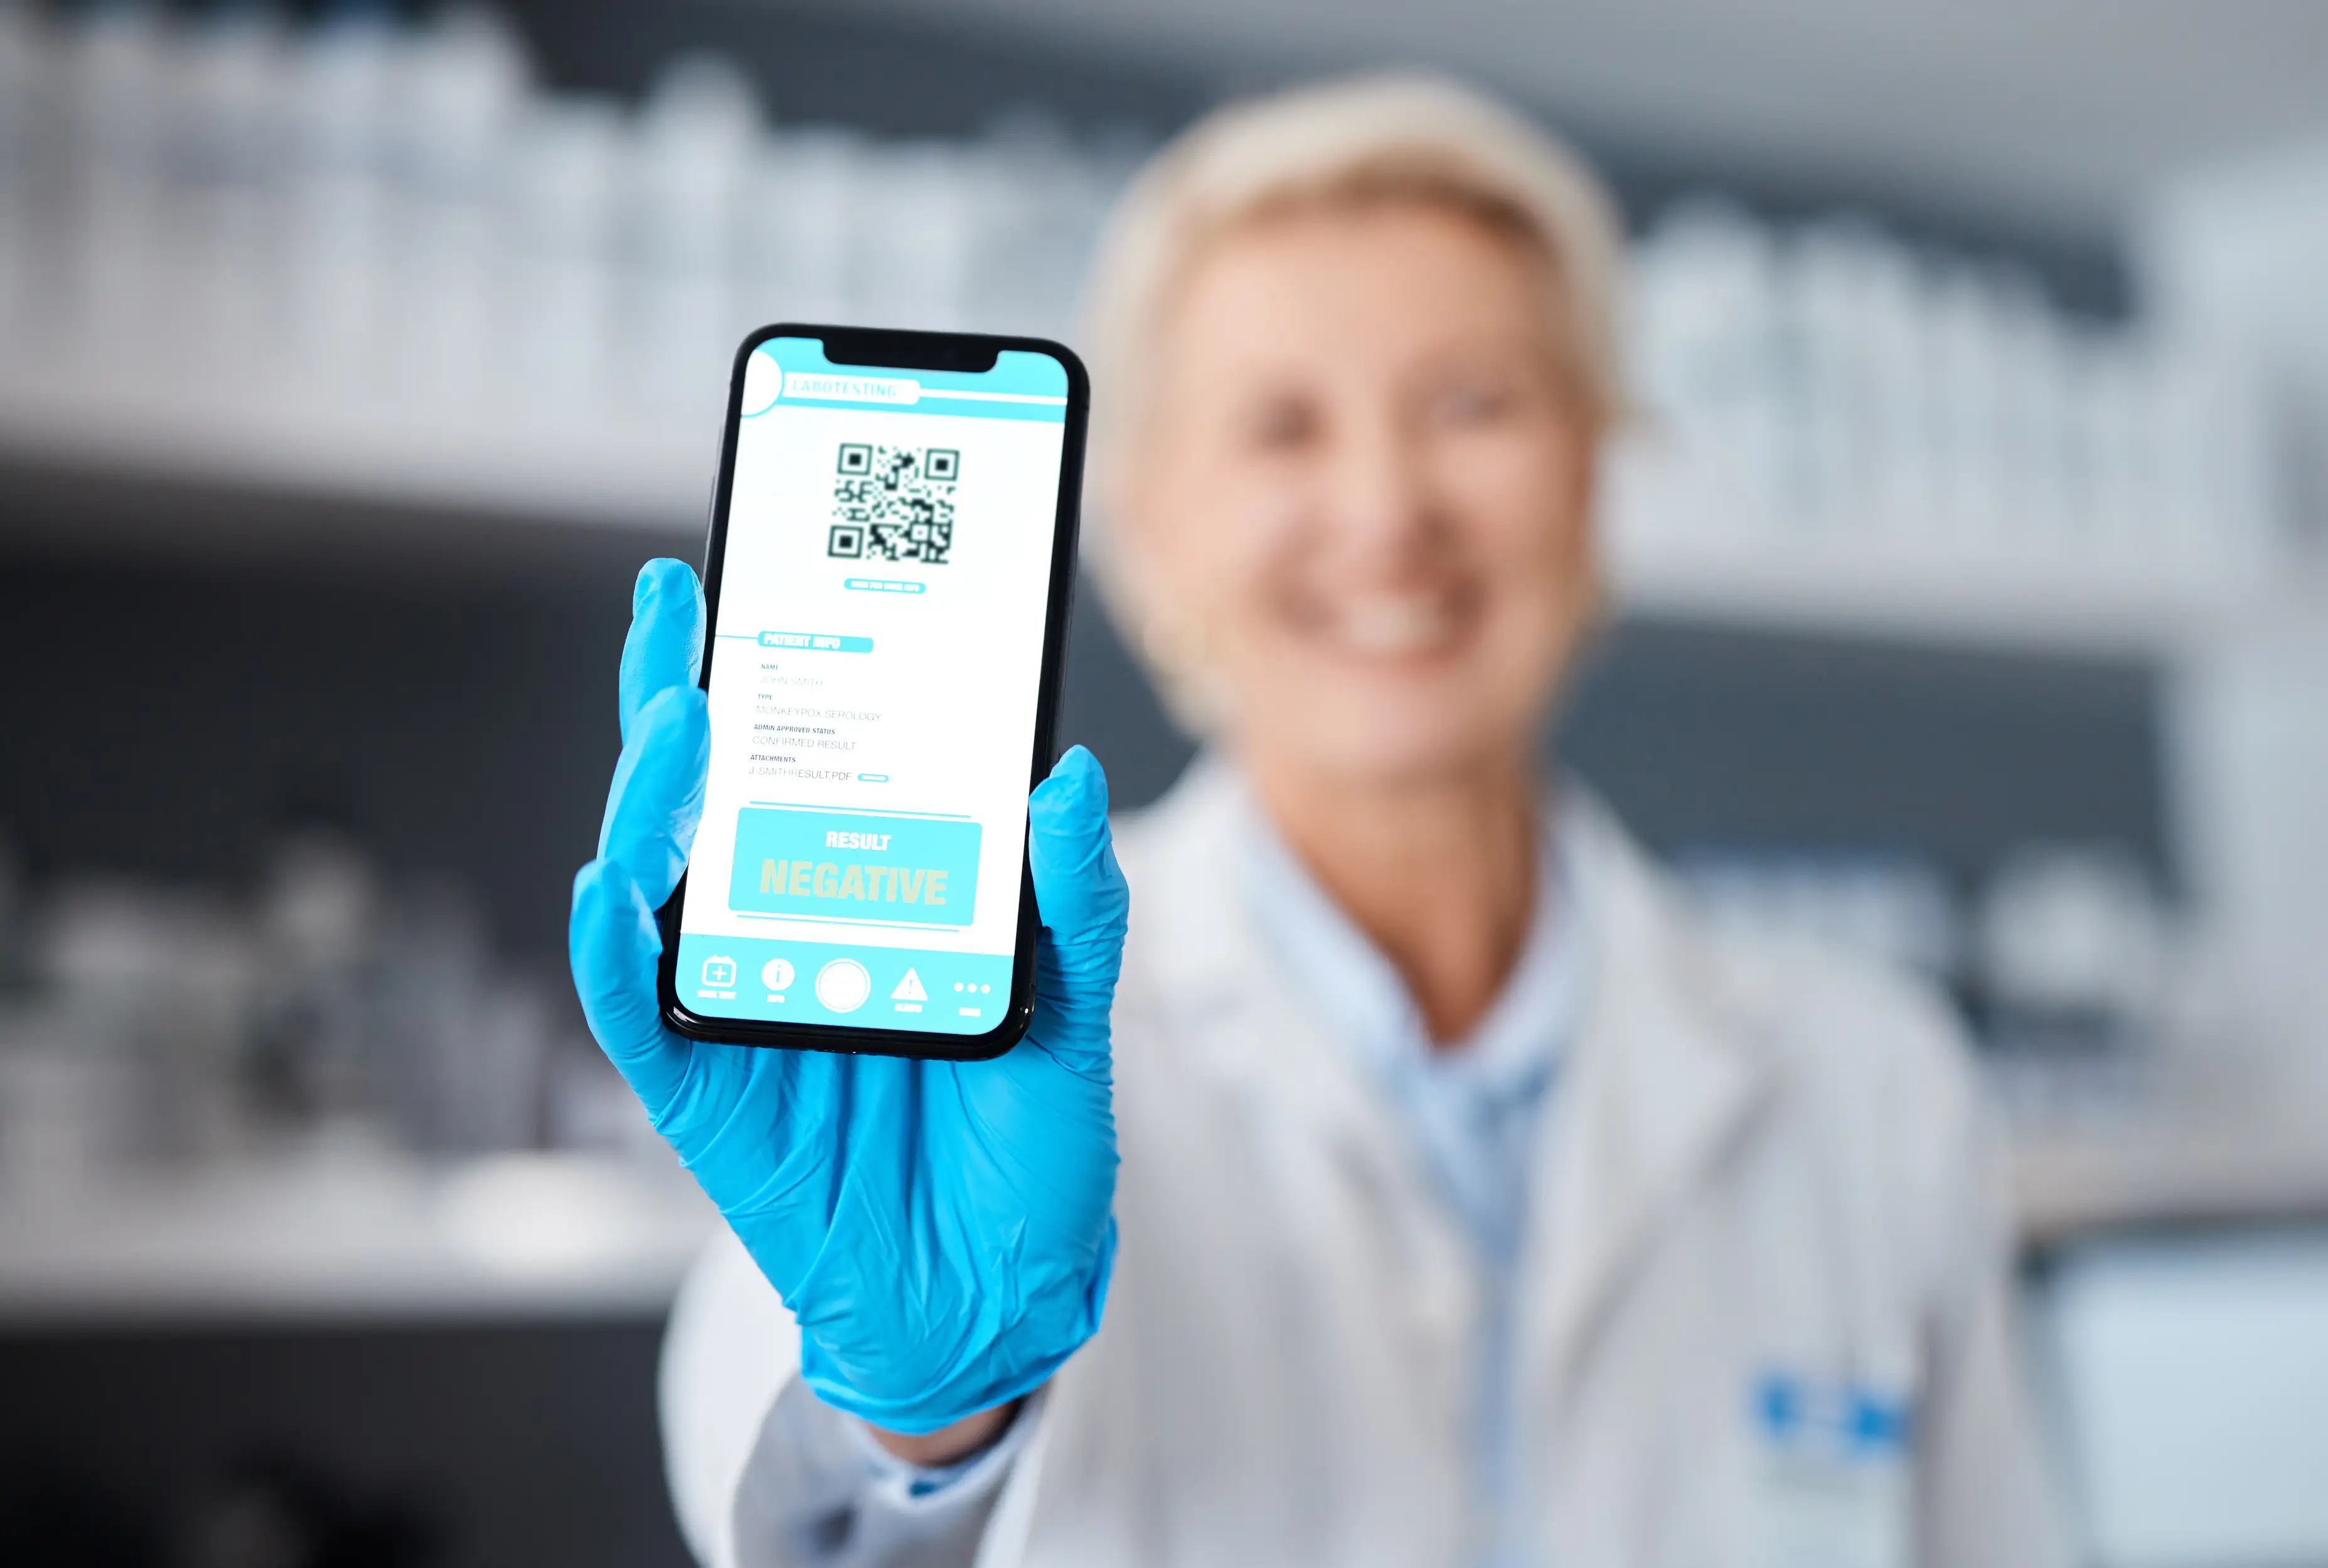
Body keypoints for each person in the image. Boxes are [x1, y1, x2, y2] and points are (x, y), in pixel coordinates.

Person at [574, 75, 2070, 1568]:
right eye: (1281, 427)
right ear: (1150, 517)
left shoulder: (1870, 1084)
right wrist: (919, 1422)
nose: (1384, 507)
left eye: (1473, 403)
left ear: (1595, 469)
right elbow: (790, 1519)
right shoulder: (944, 1037)